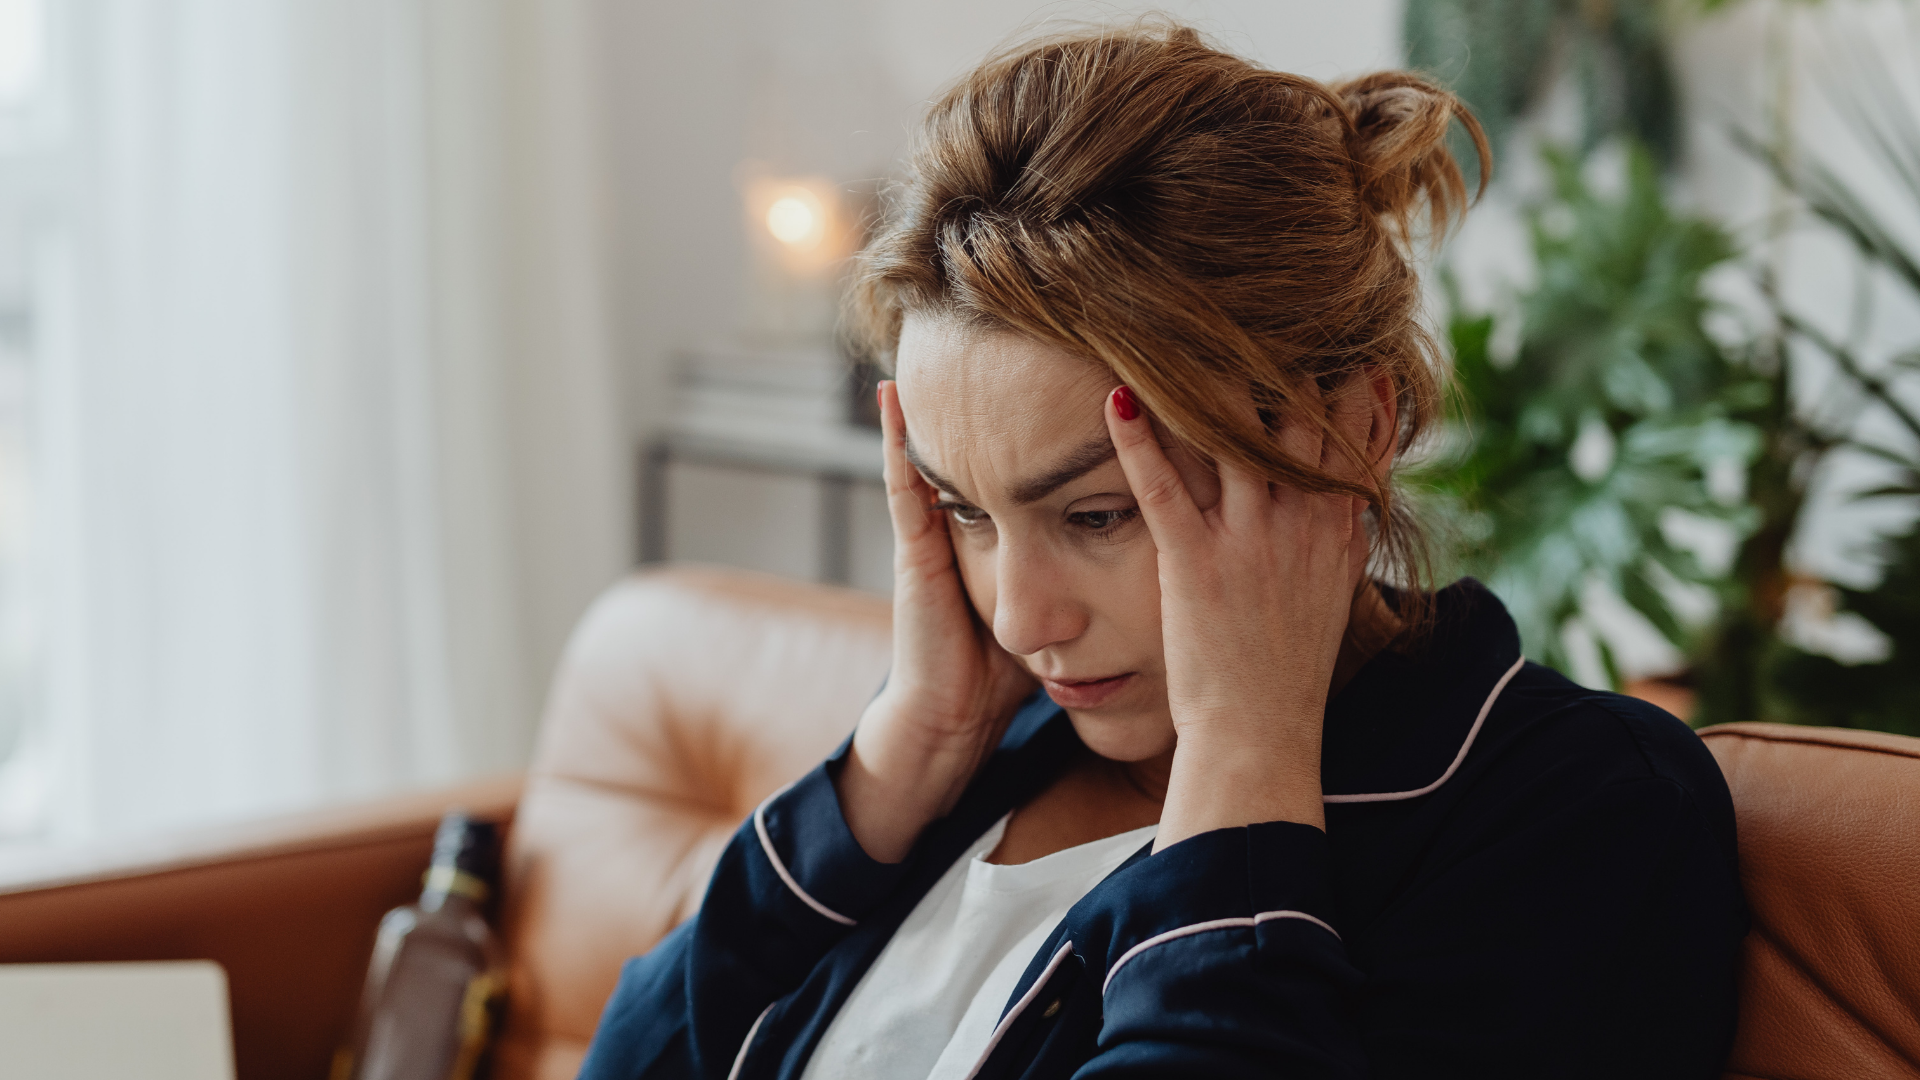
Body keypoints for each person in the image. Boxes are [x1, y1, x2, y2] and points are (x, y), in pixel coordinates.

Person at [577, 21, 1747, 1080]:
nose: (1022, 619)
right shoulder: (985, 753)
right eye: (968, 512)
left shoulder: (1573, 813)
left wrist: (1248, 755)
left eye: (1097, 515)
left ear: (1356, 427)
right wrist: (900, 756)